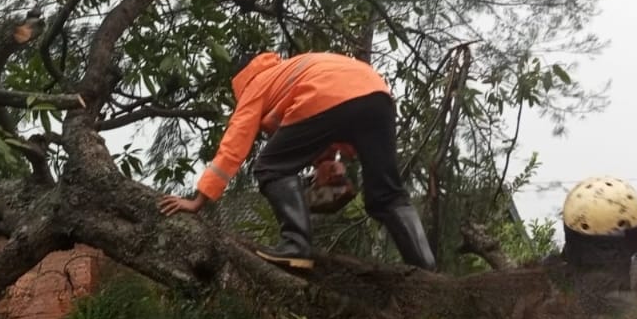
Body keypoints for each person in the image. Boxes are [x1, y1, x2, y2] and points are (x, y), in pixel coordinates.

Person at [157, 50, 435, 271]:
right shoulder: (293, 70)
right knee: (386, 195)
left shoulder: (255, 83)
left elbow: (234, 143)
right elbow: (323, 124)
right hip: (376, 94)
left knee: (270, 168)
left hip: (328, 96)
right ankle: (426, 270)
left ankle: (296, 246)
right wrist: (326, 165)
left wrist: (199, 199)